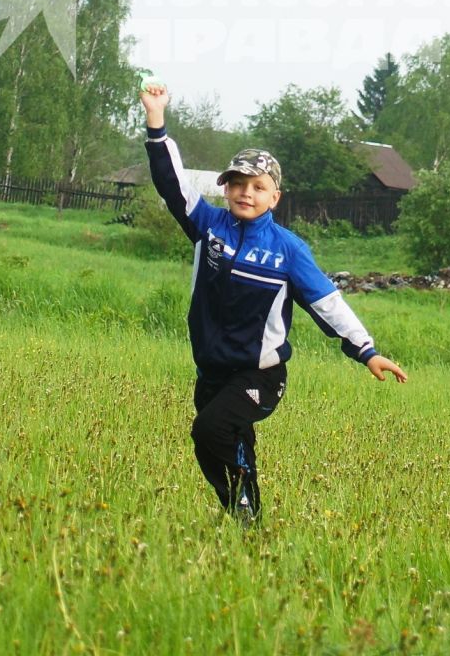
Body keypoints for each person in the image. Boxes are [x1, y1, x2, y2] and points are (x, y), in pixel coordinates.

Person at [141, 81, 407, 524]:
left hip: (260, 375)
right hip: (210, 369)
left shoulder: (288, 250)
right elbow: (172, 185)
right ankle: (247, 520)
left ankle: (246, 513)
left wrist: (367, 351)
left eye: (257, 186)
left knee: (211, 429)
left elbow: (328, 304)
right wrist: (156, 120)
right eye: (238, 184)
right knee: (213, 446)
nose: (246, 192)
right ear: (225, 189)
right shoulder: (208, 227)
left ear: (274, 197)